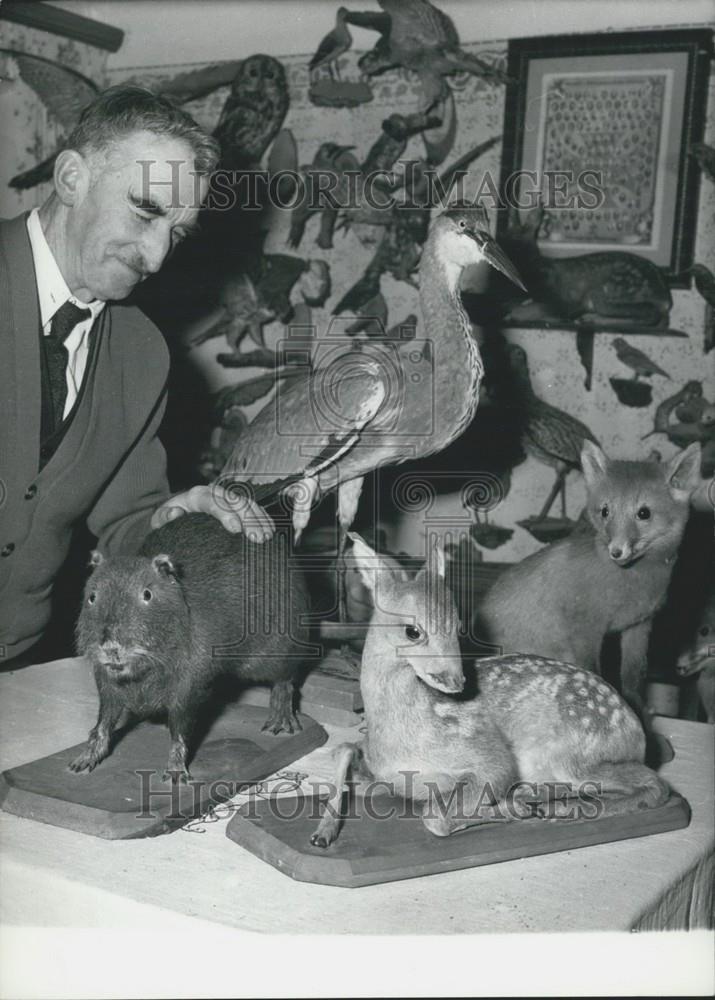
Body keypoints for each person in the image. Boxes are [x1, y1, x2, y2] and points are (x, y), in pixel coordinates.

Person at [0, 85, 273, 665]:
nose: (155, 254)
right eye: (147, 209)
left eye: (176, 232)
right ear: (72, 178)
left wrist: (171, 518)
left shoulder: (142, 351)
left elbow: (125, 524)